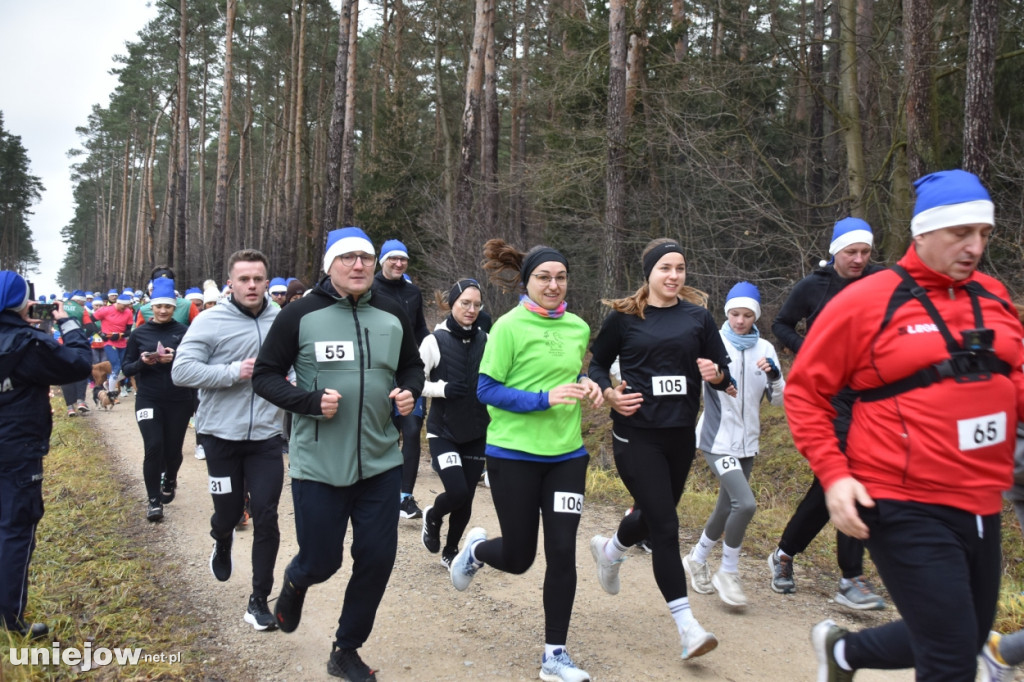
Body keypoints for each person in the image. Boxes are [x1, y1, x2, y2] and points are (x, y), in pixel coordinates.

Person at [783, 170, 1024, 681]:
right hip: (901, 497)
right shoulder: (867, 301)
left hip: (982, 499)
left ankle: (844, 654)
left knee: (968, 634)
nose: (974, 245)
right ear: (922, 233)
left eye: (983, 233)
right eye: (960, 233)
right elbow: (806, 391)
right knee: (951, 657)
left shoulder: (995, 298)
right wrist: (834, 474)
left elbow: (1015, 379)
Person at [252, 227, 424, 682]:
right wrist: (308, 402)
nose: (358, 266)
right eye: (347, 258)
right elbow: (265, 375)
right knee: (322, 561)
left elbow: (412, 365)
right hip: (319, 463)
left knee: (377, 558)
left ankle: (345, 648)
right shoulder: (301, 315)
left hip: (382, 460)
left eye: (365, 258)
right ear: (330, 265)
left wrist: (408, 391)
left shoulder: (391, 312)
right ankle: (294, 582)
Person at [447, 239, 603, 682]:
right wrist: (543, 399)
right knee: (519, 558)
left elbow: (567, 373)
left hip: (567, 455)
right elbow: (487, 389)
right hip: (513, 455)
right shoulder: (509, 328)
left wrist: (586, 383)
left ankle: (555, 655)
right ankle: (476, 550)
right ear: (527, 281)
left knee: (561, 553)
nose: (553, 285)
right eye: (543, 277)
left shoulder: (577, 327)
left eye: (560, 277)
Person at [586, 238, 731, 663]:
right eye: (665, 268)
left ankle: (610, 550)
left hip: (680, 435)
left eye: (680, 268)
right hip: (636, 434)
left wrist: (716, 373)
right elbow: (596, 364)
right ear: (648, 273)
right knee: (666, 526)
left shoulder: (698, 318)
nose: (673, 276)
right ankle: (688, 627)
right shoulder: (625, 318)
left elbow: (723, 371)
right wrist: (610, 393)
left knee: (652, 516)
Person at [767, 217, 885, 610]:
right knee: (849, 474)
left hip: (871, 395)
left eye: (865, 252)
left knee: (835, 483)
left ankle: (784, 554)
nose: (859, 260)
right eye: (851, 252)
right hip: (828, 395)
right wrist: (809, 350)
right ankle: (851, 578)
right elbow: (780, 324)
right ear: (835, 251)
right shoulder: (813, 286)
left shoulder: (881, 281)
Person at [171, 249, 286, 632]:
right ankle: (220, 536)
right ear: (231, 284)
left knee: (267, 516)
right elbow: (181, 370)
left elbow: (301, 366)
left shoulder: (283, 320)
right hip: (220, 436)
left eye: (258, 278)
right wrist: (234, 371)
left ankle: (258, 600)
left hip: (267, 437)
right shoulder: (209, 321)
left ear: (267, 282)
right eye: (244, 279)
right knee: (230, 511)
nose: (252, 285)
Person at [0, 271, 92, 638]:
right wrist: (66, 323)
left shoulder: (28, 340)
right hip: (18, 449)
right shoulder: (27, 343)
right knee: (15, 529)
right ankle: (10, 621)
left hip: (18, 444)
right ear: (22, 303)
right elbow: (79, 364)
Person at [684, 281, 785, 608]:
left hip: (748, 444)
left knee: (727, 506)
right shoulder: (712, 343)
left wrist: (776, 377)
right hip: (716, 440)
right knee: (747, 504)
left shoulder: (766, 349)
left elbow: (778, 401)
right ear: (726, 313)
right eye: (734, 314)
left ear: (755, 316)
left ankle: (697, 558)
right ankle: (728, 571)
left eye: (746, 315)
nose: (740, 320)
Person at [418, 278, 490, 569]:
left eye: (476, 304)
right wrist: (442, 389)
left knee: (467, 497)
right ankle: (433, 516)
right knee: (457, 491)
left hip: (476, 430)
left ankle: (451, 551)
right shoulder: (434, 341)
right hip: (443, 431)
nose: (471, 309)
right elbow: (413, 382)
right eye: (465, 303)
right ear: (452, 303)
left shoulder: (487, 339)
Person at [122, 278, 196, 522]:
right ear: (150, 308)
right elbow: (126, 368)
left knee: (173, 449)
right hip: (148, 398)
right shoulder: (139, 333)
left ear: (175, 308)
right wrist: (143, 362)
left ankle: (171, 478)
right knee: (154, 446)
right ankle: (154, 502)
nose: (163, 311)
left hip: (179, 398)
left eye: (168, 307)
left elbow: (195, 364)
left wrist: (176, 358)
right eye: (158, 306)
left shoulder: (184, 332)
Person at [371, 238, 430, 520]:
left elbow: (420, 329)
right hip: (378, 373)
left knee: (411, 430)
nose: (398, 263)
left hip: (408, 372)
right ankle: (381, 492)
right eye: (392, 258)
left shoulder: (413, 292)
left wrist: (435, 352)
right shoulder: (369, 288)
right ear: (382, 261)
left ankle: (405, 496)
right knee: (385, 433)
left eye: (403, 259)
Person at [60, 290, 97, 417]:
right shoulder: (82, 310)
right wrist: (83, 338)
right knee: (80, 371)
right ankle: (81, 401)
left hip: (60, 344)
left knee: (65, 374)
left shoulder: (60, 306)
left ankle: (70, 407)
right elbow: (91, 327)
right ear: (80, 300)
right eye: (84, 301)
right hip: (77, 344)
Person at [93, 289, 135, 396]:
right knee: (116, 366)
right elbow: (89, 321)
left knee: (124, 369)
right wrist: (100, 333)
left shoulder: (128, 312)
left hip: (121, 342)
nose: (125, 308)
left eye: (127, 306)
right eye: (123, 306)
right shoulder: (105, 310)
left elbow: (129, 330)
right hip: (109, 342)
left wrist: (121, 334)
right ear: (118, 302)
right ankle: (111, 392)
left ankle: (109, 383)